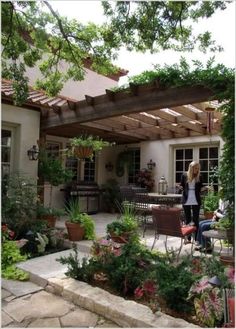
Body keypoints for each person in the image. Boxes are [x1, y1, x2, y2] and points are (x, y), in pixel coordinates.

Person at [180, 161, 203, 243]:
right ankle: (188, 238)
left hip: (196, 199)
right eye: (195, 168)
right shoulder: (184, 175)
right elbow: (182, 185)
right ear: (191, 168)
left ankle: (196, 239)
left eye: (198, 168)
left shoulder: (199, 176)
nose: (197, 170)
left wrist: (205, 188)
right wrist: (180, 188)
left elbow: (200, 188)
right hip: (186, 199)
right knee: (188, 219)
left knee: (196, 219)